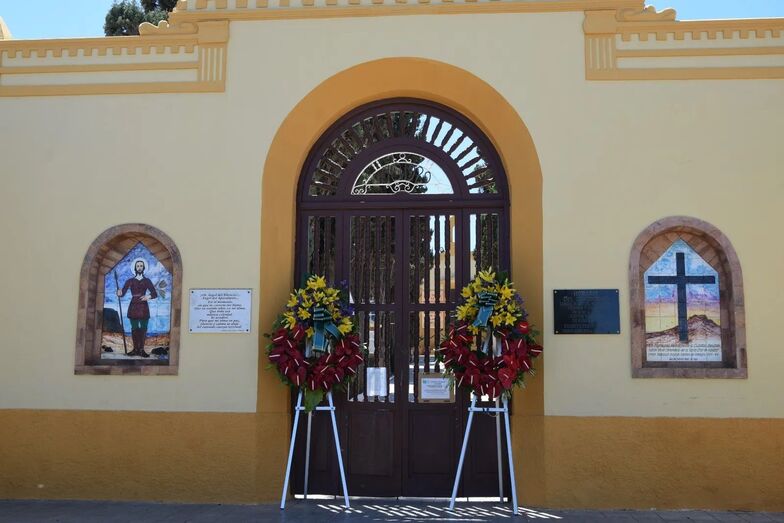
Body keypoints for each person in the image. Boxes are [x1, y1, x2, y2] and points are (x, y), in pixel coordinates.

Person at [117, 259, 157, 357]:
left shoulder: (147, 281)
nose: (139, 267)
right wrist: (119, 292)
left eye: (141, 266)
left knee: (143, 328)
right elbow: (122, 293)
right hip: (134, 305)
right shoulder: (130, 281)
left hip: (143, 306)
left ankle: (142, 350)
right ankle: (135, 349)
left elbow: (154, 293)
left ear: (143, 268)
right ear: (135, 268)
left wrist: (147, 297)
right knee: (134, 328)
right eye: (138, 266)